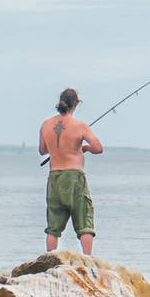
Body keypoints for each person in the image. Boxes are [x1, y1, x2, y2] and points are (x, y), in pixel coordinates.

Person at [38, 87, 103, 255]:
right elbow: (98, 148)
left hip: (54, 178)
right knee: (84, 222)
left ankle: (50, 260)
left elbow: (42, 150)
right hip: (74, 177)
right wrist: (85, 148)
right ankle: (88, 261)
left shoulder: (46, 125)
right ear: (76, 104)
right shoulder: (80, 125)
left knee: (53, 226)